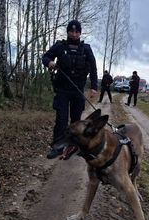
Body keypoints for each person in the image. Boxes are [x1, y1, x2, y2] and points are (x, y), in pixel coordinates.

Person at [42, 20, 98, 159]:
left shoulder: (86, 49)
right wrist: (49, 62)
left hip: (78, 90)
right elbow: (45, 56)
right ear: (68, 32)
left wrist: (94, 87)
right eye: (71, 31)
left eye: (77, 31)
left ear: (80, 33)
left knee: (75, 120)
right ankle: (57, 147)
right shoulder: (60, 46)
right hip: (62, 89)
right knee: (61, 119)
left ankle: (74, 146)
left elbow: (93, 68)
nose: (74, 34)